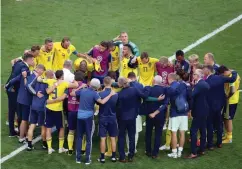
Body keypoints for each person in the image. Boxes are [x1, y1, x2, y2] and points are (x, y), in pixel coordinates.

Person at [70, 78, 116, 165]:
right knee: (88, 139)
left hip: (79, 116)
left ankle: (78, 158)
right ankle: (87, 159)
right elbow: (102, 102)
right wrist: (110, 95)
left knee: (79, 137)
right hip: (88, 118)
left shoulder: (83, 91)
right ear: (97, 86)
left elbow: (72, 93)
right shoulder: (95, 94)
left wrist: (80, 87)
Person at [38, 70, 79, 154]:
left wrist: (42, 76)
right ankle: (60, 148)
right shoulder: (64, 83)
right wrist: (73, 79)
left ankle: (49, 148)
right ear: (62, 76)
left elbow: (39, 79)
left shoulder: (50, 81)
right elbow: (76, 85)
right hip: (58, 109)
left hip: (49, 107)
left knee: (48, 128)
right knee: (61, 128)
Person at [203, 65, 237, 149]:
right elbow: (233, 79)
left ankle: (210, 145)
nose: (203, 72)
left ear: (208, 71)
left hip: (210, 107)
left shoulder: (206, 81)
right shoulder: (220, 78)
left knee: (210, 125)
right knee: (219, 124)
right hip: (219, 106)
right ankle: (219, 143)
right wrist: (233, 72)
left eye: (204, 70)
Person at [6, 53, 35, 143]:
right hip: (14, 90)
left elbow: (13, 62)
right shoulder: (24, 67)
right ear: (28, 60)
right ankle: (20, 133)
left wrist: (8, 85)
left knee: (12, 110)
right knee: (19, 113)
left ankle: (12, 131)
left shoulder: (18, 62)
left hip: (11, 88)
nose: (33, 61)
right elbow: (22, 75)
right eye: (32, 60)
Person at [166, 73, 191, 158]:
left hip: (175, 113)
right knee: (182, 132)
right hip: (184, 112)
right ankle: (180, 151)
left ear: (170, 79)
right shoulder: (184, 85)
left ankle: (174, 152)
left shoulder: (170, 88)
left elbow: (168, 100)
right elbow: (189, 97)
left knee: (174, 133)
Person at [186, 69, 210, 159]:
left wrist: (189, 88)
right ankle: (202, 149)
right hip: (205, 109)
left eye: (195, 74)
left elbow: (191, 95)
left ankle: (193, 152)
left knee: (193, 131)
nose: (193, 75)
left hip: (199, 111)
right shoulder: (204, 83)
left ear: (199, 76)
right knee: (203, 130)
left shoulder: (199, 85)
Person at [144, 75, 168, 158]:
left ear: (153, 81)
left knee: (148, 133)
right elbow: (165, 105)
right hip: (160, 115)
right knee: (158, 134)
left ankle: (148, 150)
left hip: (149, 115)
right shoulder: (164, 90)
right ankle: (155, 153)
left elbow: (145, 98)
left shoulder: (148, 88)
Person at [26, 65, 48, 150]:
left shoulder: (36, 80)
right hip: (42, 107)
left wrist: (35, 93)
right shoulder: (47, 82)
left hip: (34, 105)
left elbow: (29, 86)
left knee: (32, 125)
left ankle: (29, 145)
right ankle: (44, 144)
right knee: (43, 126)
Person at [97, 77, 119, 163]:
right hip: (112, 118)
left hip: (103, 117)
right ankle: (113, 157)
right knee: (113, 138)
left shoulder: (100, 94)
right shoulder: (116, 95)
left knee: (103, 138)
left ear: (103, 83)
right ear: (111, 83)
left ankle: (102, 158)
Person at [217, 66, 240, 144]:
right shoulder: (235, 73)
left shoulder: (230, 77)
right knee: (226, 117)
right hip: (234, 99)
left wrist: (227, 97)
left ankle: (229, 138)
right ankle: (227, 135)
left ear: (224, 72)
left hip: (231, 101)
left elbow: (232, 90)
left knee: (228, 119)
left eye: (222, 75)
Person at [126, 72, 143, 154]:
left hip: (127, 111)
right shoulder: (140, 85)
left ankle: (130, 149)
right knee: (135, 131)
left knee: (128, 131)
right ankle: (133, 148)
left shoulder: (126, 85)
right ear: (135, 77)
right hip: (137, 111)